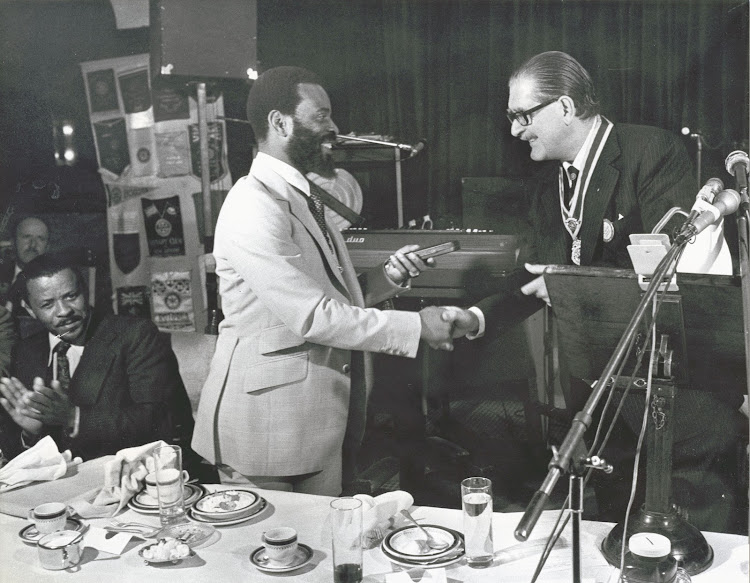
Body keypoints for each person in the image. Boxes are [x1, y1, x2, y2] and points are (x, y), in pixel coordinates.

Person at [443, 51, 741, 531]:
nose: (516, 130)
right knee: (614, 535)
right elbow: (535, 276)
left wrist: (563, 285)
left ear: (564, 107)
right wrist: (477, 318)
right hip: (601, 398)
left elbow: (670, 270)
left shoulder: (650, 151)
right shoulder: (549, 187)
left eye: (523, 116)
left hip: (675, 401)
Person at [191, 66, 454, 496]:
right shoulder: (252, 205)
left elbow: (324, 296)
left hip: (309, 423)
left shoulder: (300, 196)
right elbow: (312, 315)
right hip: (264, 432)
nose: (333, 128)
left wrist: (386, 278)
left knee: (323, 553)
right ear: (280, 123)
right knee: (273, 560)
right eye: (320, 116)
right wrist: (418, 326)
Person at [0, 252, 195, 464]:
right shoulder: (26, 351)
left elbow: (158, 421)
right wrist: (30, 435)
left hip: (125, 475)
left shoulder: (135, 335)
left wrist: (74, 418)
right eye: (48, 304)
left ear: (85, 291)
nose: (64, 311)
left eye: (71, 296)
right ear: (29, 309)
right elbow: (12, 451)